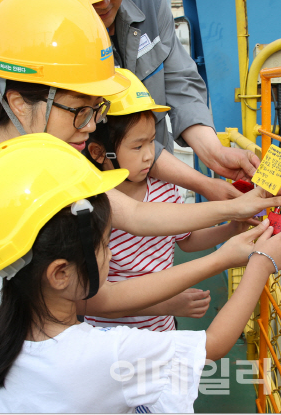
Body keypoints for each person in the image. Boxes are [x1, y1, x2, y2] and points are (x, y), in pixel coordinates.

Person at [0, 0, 281, 414]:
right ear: (20, 103)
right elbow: (93, 296)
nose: (90, 128)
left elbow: (137, 216)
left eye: (97, 112)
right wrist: (231, 245)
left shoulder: (31, 160)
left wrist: (234, 202)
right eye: (80, 111)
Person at [0, 134, 281, 413]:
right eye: (104, 245)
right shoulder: (104, 353)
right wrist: (260, 263)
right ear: (59, 274)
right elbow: (212, 344)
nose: (112, 254)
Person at [33, 0, 261, 201]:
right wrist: (203, 183)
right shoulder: (44, 36)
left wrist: (214, 153)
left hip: (160, 182)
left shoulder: (149, 3)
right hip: (94, 189)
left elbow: (180, 84)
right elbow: (119, 133)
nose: (104, 2)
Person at [84, 69, 251, 331]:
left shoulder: (165, 189)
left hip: (162, 329)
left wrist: (232, 228)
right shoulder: (91, 206)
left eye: (152, 142)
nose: (150, 155)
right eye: (138, 147)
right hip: (110, 334)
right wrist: (166, 305)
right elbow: (99, 297)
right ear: (98, 152)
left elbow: (186, 240)